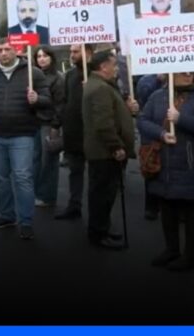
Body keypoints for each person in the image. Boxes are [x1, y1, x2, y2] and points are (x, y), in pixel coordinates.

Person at [0, 40, 51, 240]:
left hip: (22, 134)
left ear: (17, 51)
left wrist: (37, 99)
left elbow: (48, 100)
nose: (3, 53)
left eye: (7, 49)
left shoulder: (33, 74)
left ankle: (26, 221)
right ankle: (7, 215)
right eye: (0, 50)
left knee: (23, 177)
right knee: (0, 178)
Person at [137, 72, 194, 271]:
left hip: (191, 164)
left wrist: (181, 119)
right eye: (183, 70)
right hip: (163, 162)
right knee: (167, 207)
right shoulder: (157, 96)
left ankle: (191, 256)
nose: (189, 74)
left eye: (191, 70)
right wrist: (161, 133)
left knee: (191, 212)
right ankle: (171, 249)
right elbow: (143, 121)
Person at [82, 50, 137, 250]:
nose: (116, 68)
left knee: (105, 193)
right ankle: (98, 234)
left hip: (103, 151)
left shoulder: (102, 85)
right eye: (114, 64)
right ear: (104, 66)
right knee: (101, 195)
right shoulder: (100, 88)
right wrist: (116, 146)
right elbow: (103, 123)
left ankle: (102, 228)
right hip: (103, 152)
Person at [55, 44, 94, 220]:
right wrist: (58, 124)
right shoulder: (70, 75)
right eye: (71, 52)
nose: (72, 55)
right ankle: (74, 206)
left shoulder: (99, 73)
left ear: (88, 53)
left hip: (95, 133)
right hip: (74, 132)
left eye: (76, 52)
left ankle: (98, 216)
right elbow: (64, 102)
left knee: (96, 176)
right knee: (75, 172)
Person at [32, 46, 65, 207]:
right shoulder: (33, 77)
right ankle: (37, 192)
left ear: (51, 57)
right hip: (34, 124)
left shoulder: (58, 78)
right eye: (38, 56)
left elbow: (60, 105)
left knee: (49, 162)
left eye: (45, 56)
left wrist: (55, 126)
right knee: (36, 161)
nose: (41, 59)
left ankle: (47, 196)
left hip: (49, 123)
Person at [136, 73, 166, 220]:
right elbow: (143, 102)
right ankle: (151, 207)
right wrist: (157, 80)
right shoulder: (147, 81)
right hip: (153, 137)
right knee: (152, 169)